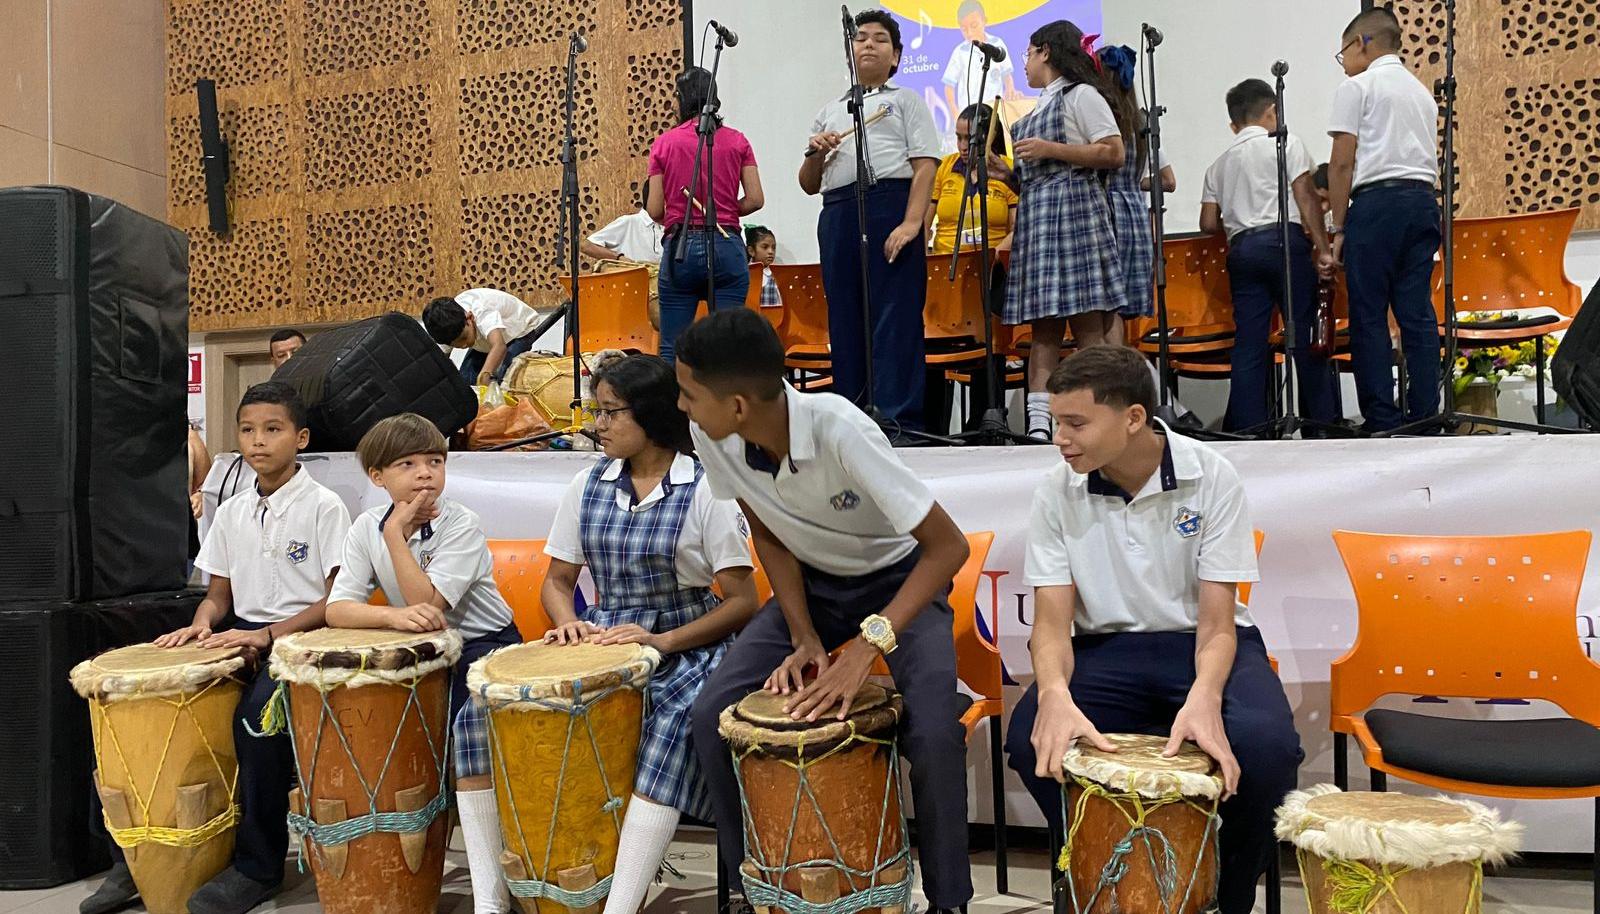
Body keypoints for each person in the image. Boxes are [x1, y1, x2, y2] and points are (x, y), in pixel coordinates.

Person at [677, 310, 974, 914]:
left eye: (688, 394)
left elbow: (950, 548)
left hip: (900, 585)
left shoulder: (841, 429)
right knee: (711, 716)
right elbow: (768, 530)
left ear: (737, 405)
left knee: (936, 734)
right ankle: (750, 888)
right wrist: (804, 635)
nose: (681, 406)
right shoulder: (711, 435)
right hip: (811, 587)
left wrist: (868, 646)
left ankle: (948, 901)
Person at [1002, 345, 1302, 914]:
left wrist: (1205, 695)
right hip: (1104, 650)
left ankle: (1224, 894)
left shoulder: (1212, 476)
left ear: (1133, 418)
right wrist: (1055, 695)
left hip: (1201, 644)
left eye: (1075, 423)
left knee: (1268, 751)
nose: (1058, 438)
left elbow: (1217, 625)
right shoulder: (1056, 491)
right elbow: (1050, 625)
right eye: (1056, 421)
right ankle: (1097, 873)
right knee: (1029, 740)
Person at [84, 382, 352, 914]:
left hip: (303, 640)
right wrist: (201, 627)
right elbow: (217, 596)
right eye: (248, 430)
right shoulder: (229, 512)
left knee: (255, 724)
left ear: (300, 438)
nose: (258, 442)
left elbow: (335, 601)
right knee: (140, 712)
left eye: (273, 430)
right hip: (240, 630)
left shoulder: (325, 506)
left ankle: (258, 866)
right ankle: (136, 862)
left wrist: (266, 636)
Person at [540, 354, 759, 914]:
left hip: (690, 642)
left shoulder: (707, 488)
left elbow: (741, 602)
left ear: (655, 415)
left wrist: (661, 642)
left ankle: (621, 902)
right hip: (610, 638)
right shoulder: (587, 485)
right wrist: (567, 620)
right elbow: (557, 581)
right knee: (497, 714)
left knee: (669, 719)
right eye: (596, 412)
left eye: (611, 412)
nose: (599, 425)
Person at [325, 414, 522, 914]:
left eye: (435, 461)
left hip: (484, 646)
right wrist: (390, 614)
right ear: (377, 477)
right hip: (424, 655)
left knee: (465, 739)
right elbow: (336, 607)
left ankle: (490, 897)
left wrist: (395, 535)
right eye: (407, 464)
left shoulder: (460, 522)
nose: (425, 474)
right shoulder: (364, 527)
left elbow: (431, 608)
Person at [801, 10, 941, 432]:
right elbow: (809, 185)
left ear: (896, 56)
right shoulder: (831, 110)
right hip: (839, 210)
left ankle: (899, 420)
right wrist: (816, 153)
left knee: (894, 316)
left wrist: (911, 223)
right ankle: (852, 421)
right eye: (861, 38)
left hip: (891, 205)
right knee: (844, 315)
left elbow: (925, 166)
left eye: (880, 39)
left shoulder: (905, 101)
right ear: (849, 52)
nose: (868, 45)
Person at [1005, 21, 1128, 441]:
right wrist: (1007, 174)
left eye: (1028, 53)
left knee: (1088, 324)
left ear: (1046, 52)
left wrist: (1049, 149)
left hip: (1074, 210)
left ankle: (1099, 415)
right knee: (1042, 329)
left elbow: (1113, 152)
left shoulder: (1082, 95)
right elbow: (1037, 172)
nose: (1024, 63)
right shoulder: (1040, 105)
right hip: (1039, 216)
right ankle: (1040, 426)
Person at [1200, 78, 1338, 433]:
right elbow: (1306, 197)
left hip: (1242, 250)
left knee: (1249, 341)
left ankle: (1250, 428)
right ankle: (1320, 423)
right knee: (1303, 332)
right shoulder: (1285, 144)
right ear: (1272, 110)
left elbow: (1207, 222)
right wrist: (1322, 248)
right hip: (1284, 242)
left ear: (1235, 121)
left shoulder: (1218, 165)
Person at [1327, 7, 1441, 433]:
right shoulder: (1422, 94)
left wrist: (1338, 227)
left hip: (1376, 206)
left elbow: (1341, 165)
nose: (1345, 64)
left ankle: (1382, 418)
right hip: (1422, 202)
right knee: (1417, 314)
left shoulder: (1358, 87)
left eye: (1343, 54)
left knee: (1370, 314)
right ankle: (1425, 416)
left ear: (1362, 44)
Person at [646, 67, 764, 364]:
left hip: (680, 251)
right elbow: (755, 199)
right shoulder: (738, 141)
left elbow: (655, 210)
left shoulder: (664, 143)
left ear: (683, 99)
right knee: (727, 347)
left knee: (673, 348)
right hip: (726, 246)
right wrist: (722, 211)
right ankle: (727, 410)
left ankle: (674, 410)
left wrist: (681, 214)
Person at [1097, 44, 1165, 327]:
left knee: (1104, 308)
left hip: (1107, 211)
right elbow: (1167, 178)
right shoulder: (1140, 122)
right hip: (1134, 212)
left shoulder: (1103, 121)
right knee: (1120, 310)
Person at [926, 103, 1018, 257]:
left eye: (969, 139)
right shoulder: (943, 167)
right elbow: (923, 224)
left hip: (994, 264)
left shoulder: (1008, 170)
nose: (962, 146)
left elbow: (1018, 229)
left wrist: (993, 258)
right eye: (958, 137)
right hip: (945, 263)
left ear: (990, 137)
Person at [422, 288, 543, 386]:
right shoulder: (446, 327)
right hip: (485, 341)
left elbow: (499, 346)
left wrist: (486, 373)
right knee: (466, 380)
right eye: (456, 345)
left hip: (518, 332)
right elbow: (440, 359)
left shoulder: (482, 311)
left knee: (504, 379)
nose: (463, 345)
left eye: (464, 338)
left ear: (469, 318)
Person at [941, 0, 1018, 118]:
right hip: (970, 115)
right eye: (964, 29)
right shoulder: (959, 52)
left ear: (984, 21)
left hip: (994, 113)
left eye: (974, 26)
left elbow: (1007, 75)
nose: (970, 33)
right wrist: (955, 112)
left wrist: (1010, 89)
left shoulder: (997, 44)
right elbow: (949, 87)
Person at [745, 225, 782, 310]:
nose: (770, 252)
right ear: (751, 251)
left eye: (773, 248)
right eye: (765, 247)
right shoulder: (744, 275)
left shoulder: (776, 276)